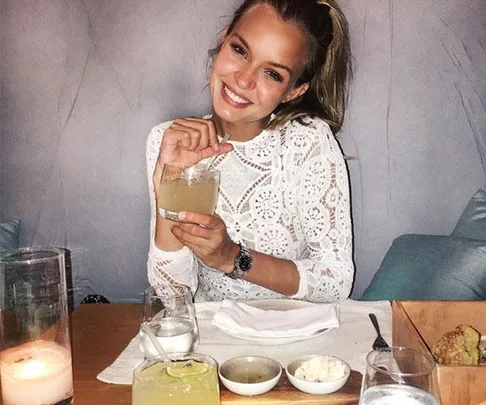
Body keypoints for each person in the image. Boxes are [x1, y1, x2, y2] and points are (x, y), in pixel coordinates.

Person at [146, 0, 354, 302]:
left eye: (273, 74)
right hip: (213, 340)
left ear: (295, 90)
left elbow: (335, 282)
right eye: (240, 50)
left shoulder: (307, 142)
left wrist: (231, 257)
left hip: (295, 338)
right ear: (224, 38)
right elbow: (173, 295)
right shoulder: (169, 141)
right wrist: (169, 186)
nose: (243, 79)